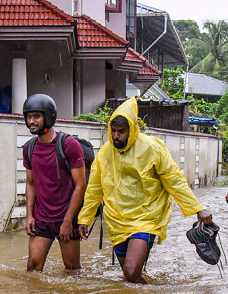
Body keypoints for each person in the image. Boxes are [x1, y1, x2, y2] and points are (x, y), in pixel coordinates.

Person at [77, 98, 212, 284]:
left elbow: (174, 179)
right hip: (116, 220)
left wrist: (198, 209)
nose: (116, 136)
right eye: (113, 131)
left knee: (131, 272)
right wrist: (85, 218)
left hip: (146, 217)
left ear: (132, 129)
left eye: (121, 132)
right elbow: (94, 188)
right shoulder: (105, 153)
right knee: (129, 276)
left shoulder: (151, 148)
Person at [22, 94, 86, 272]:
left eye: (37, 116)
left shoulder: (69, 145)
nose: (31, 121)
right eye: (29, 117)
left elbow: (80, 185)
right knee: (33, 268)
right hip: (41, 219)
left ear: (49, 117)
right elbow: (30, 183)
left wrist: (67, 221)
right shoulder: (29, 148)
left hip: (66, 216)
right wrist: (29, 215)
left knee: (72, 269)